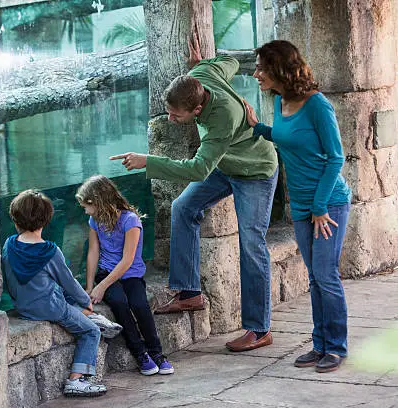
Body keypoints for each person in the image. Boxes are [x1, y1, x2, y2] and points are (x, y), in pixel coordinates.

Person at [110, 33, 278, 352]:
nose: (171, 120)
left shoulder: (223, 117)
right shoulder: (198, 77)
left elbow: (198, 169)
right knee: (183, 208)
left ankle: (259, 329)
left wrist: (149, 161)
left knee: (252, 243)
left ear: (198, 108)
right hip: (226, 163)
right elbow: (228, 61)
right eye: (169, 112)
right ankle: (189, 293)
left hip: (254, 170)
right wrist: (204, 63)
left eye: (177, 116)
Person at [244, 40, 351, 373]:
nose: (256, 73)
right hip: (304, 207)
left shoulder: (318, 105)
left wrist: (320, 206)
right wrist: (259, 128)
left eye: (261, 67)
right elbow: (286, 138)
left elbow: (335, 157)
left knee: (326, 275)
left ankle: (335, 347)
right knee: (315, 279)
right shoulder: (279, 101)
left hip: (328, 202)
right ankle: (319, 345)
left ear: (279, 69)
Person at [2, 189, 122, 397]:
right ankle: (77, 380)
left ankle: (90, 316)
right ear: (46, 220)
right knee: (90, 332)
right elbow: (69, 283)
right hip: (51, 308)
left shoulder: (9, 244)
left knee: (55, 289)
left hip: (23, 305)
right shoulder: (50, 251)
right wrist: (86, 300)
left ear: (15, 220)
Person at [77, 175, 174, 376]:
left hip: (130, 274)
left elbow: (127, 260)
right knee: (120, 303)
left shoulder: (130, 220)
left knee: (139, 304)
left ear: (98, 201)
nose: (84, 210)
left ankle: (157, 353)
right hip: (106, 272)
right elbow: (93, 252)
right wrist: (89, 286)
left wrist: (101, 287)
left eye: (86, 205)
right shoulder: (94, 220)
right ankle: (140, 353)